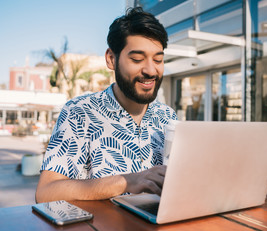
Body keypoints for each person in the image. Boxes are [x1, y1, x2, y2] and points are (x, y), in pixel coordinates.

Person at [35, 7, 177, 203]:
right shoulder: (80, 112)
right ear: (111, 59)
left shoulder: (167, 117)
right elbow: (46, 193)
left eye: (158, 59)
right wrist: (126, 181)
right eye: (137, 59)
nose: (151, 70)